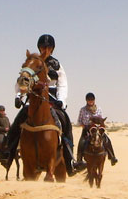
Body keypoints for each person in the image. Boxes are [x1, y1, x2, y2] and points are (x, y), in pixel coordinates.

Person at [6, 34, 77, 176]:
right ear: (39, 48)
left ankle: (70, 160)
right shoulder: (33, 62)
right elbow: (22, 80)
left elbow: (62, 83)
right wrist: (19, 96)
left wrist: (61, 100)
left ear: (52, 49)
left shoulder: (57, 65)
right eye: (43, 47)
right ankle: (8, 151)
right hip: (33, 98)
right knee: (17, 122)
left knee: (66, 122)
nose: (46, 49)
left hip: (53, 99)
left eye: (48, 47)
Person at [76, 92, 118, 166]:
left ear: (94, 100)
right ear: (86, 101)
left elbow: (101, 120)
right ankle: (79, 160)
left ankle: (112, 157)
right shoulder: (83, 110)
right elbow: (79, 121)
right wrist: (84, 126)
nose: (91, 101)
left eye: (92, 100)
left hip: (97, 129)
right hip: (87, 129)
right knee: (81, 143)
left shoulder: (99, 109)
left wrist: (99, 127)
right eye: (89, 100)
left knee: (107, 140)